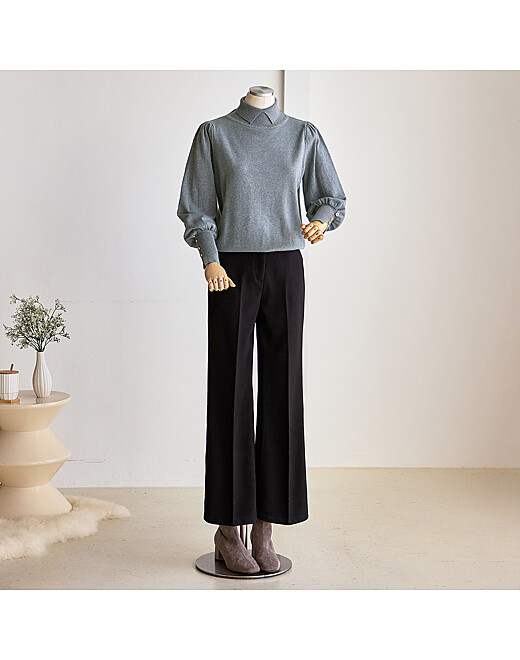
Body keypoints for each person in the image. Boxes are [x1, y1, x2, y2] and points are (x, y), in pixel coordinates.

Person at [177, 90, 346, 574]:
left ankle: (266, 526)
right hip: (229, 267)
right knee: (229, 389)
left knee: (282, 390)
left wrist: (320, 221)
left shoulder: (303, 135)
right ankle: (229, 529)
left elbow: (330, 197)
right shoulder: (215, 134)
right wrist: (210, 258)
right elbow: (197, 206)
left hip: (287, 265)